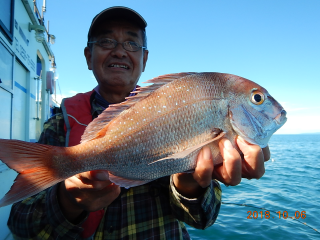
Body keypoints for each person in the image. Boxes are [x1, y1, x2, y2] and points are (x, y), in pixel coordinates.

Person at [8, 6, 269, 239]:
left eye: (132, 43)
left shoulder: (184, 110)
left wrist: (189, 185)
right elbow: (20, 223)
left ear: (145, 59)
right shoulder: (59, 126)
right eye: (107, 41)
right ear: (88, 56)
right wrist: (68, 201)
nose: (120, 51)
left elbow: (203, 219)